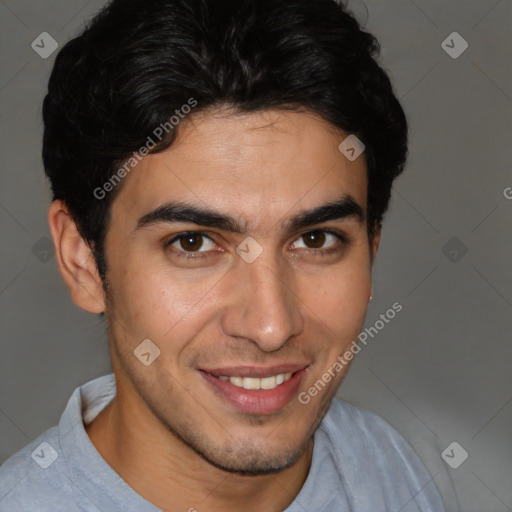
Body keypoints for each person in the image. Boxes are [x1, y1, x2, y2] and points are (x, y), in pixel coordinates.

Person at [0, 0, 447, 510]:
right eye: (193, 243)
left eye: (316, 239)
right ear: (82, 260)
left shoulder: (396, 467)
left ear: (372, 245)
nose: (271, 326)